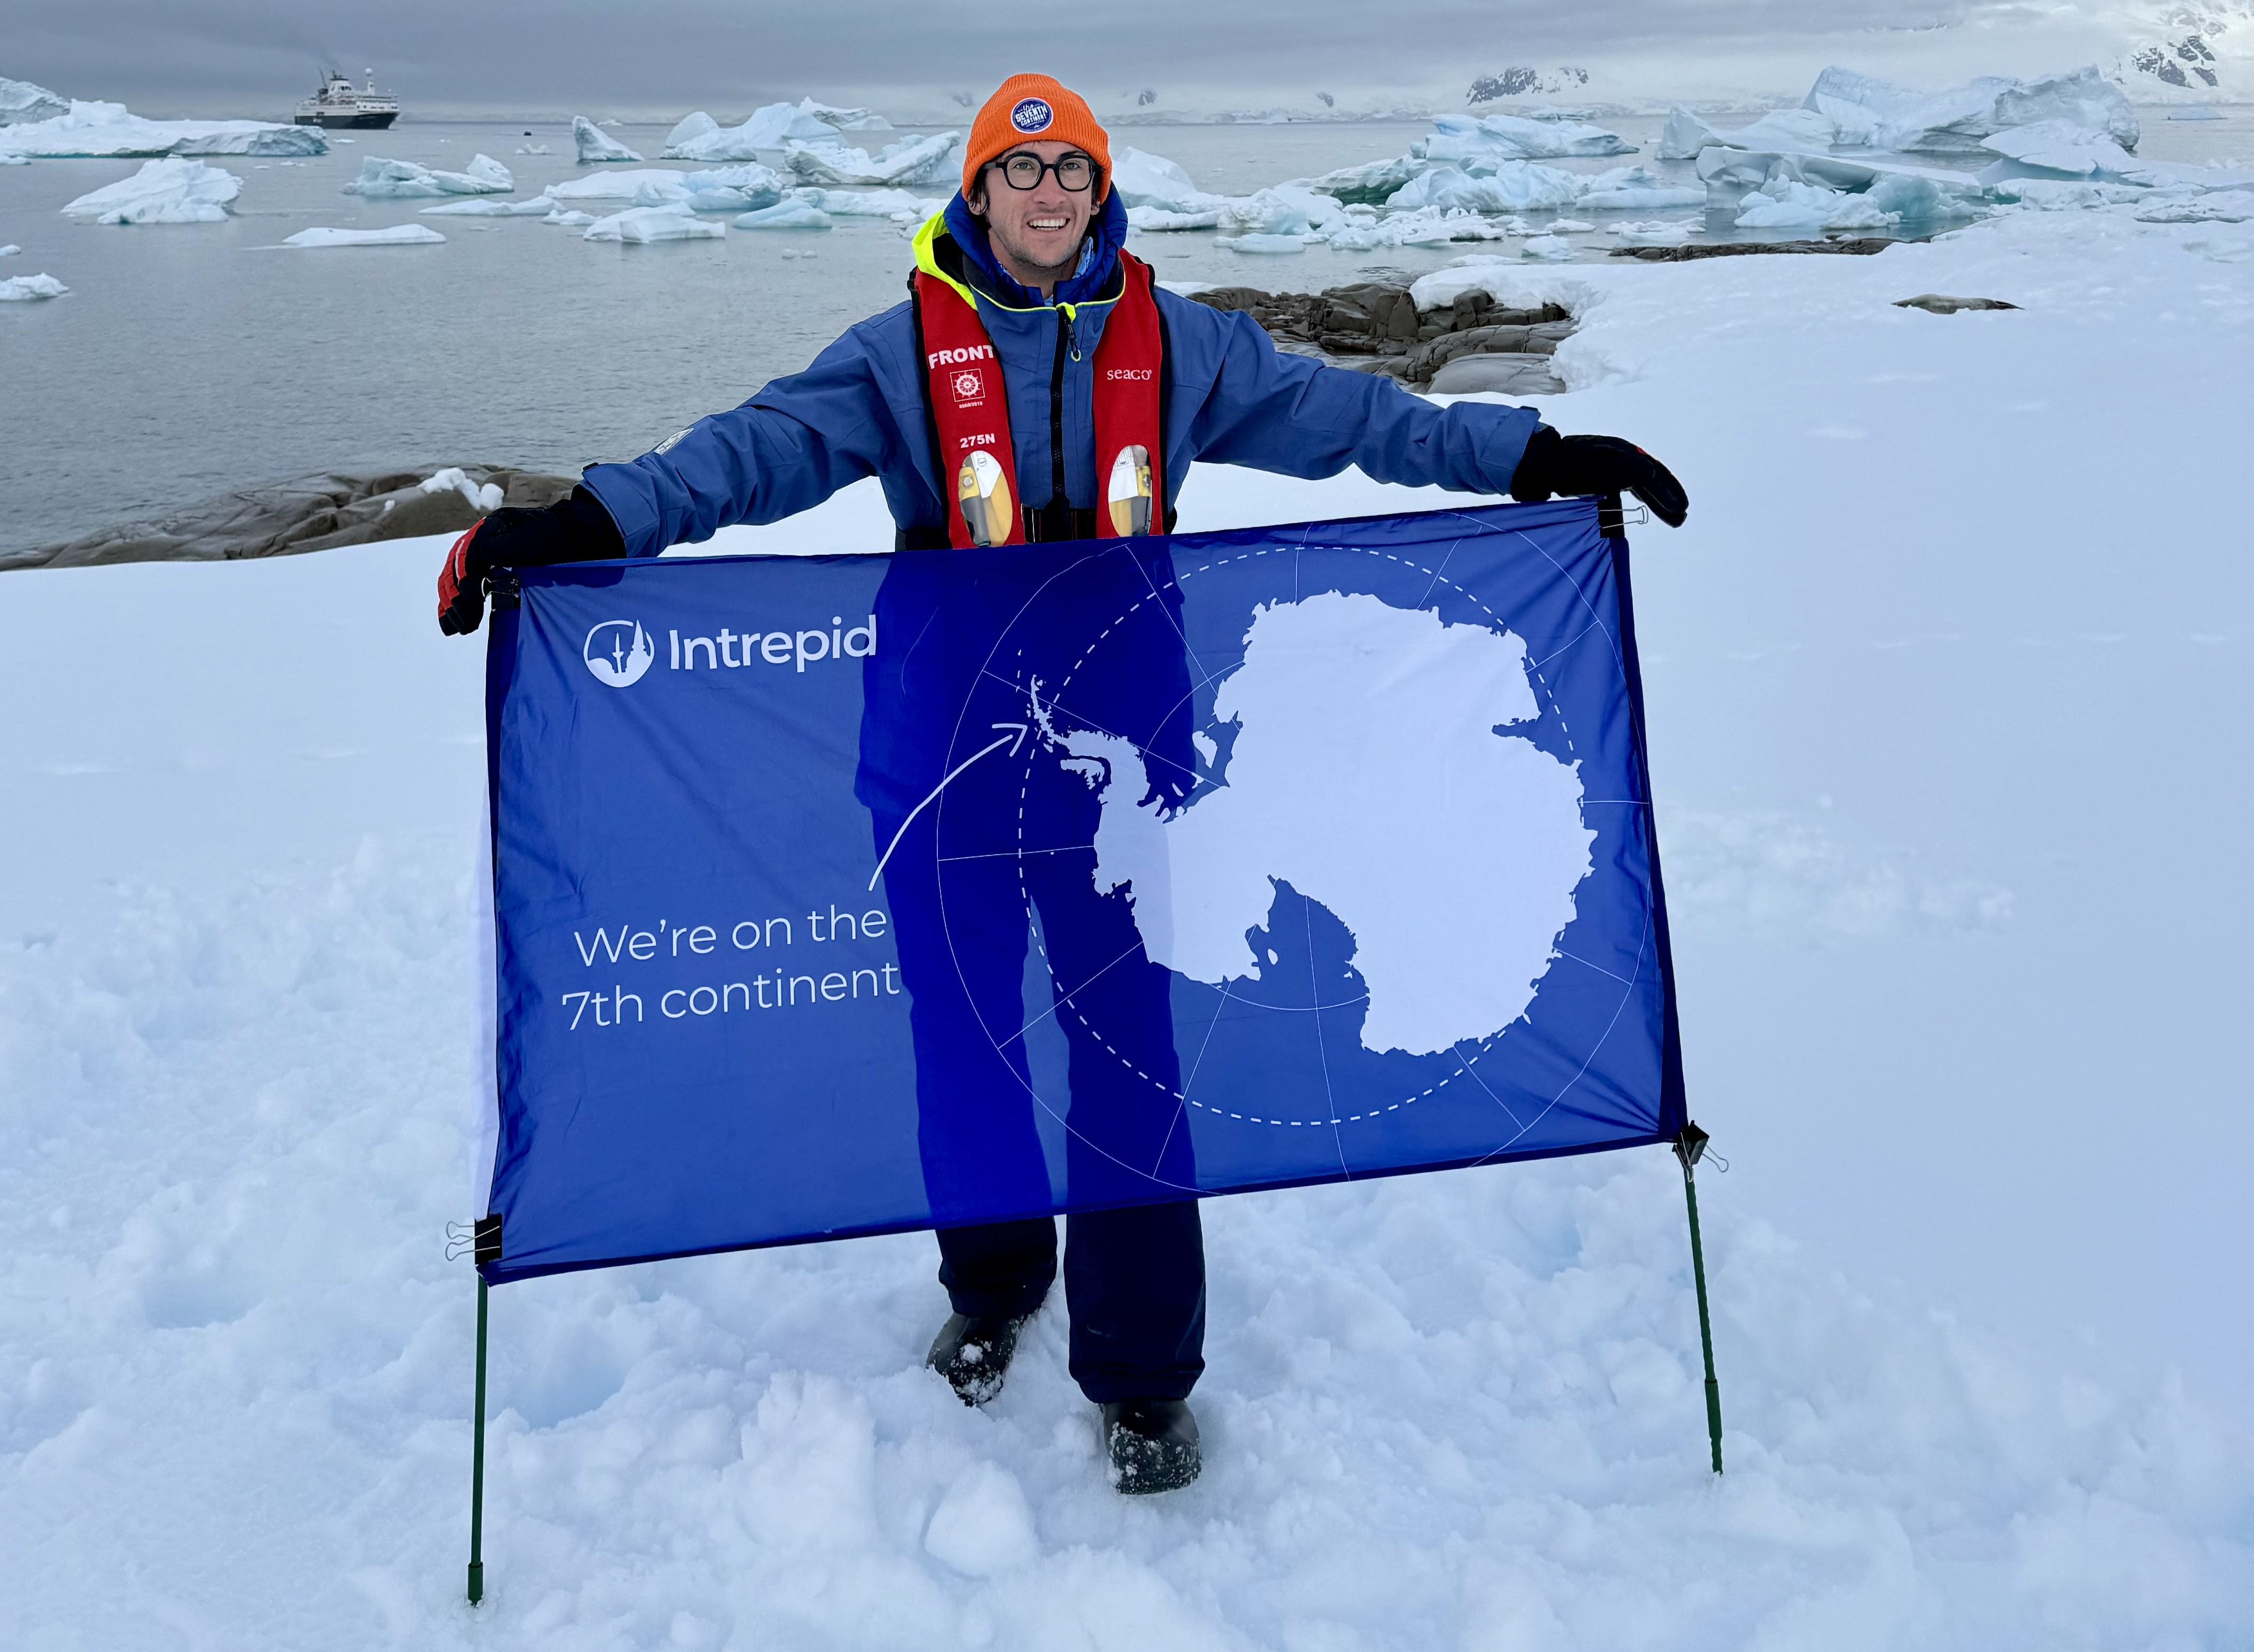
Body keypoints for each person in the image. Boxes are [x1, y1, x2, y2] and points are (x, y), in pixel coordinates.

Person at [437, 74, 1686, 1493]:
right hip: (943, 758)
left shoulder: (1183, 345)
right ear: (976, 195)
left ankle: (1143, 1372)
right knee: (964, 1038)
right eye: (1020, 172)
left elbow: (1352, 416)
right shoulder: (898, 355)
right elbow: (749, 454)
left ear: (1102, 192)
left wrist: (1529, 453)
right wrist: (588, 521)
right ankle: (991, 1283)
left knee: (1126, 1053)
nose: (1048, 194)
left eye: (1072, 171)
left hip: (1124, 767)